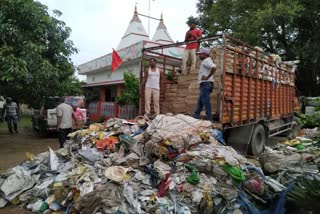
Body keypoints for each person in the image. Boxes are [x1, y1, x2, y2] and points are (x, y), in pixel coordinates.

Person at [194, 48, 216, 121]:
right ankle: (196, 116)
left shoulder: (206, 61)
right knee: (200, 101)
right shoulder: (206, 61)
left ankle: (209, 119)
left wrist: (207, 77)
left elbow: (214, 67)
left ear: (205, 54)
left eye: (200, 54)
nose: (199, 55)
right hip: (205, 84)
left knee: (205, 101)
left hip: (206, 84)